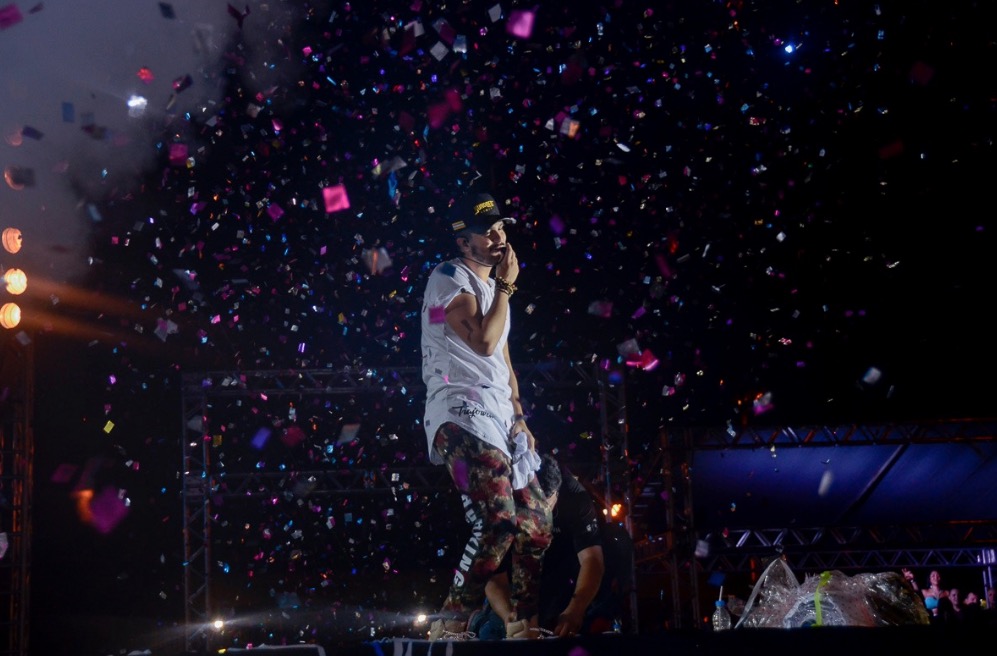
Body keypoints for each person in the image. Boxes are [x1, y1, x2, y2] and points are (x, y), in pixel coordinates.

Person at [420, 190, 552, 641]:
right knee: (497, 522)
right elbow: (482, 343)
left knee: (535, 524)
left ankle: (521, 623)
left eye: (501, 228)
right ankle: (448, 620)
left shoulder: (493, 289)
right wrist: (509, 287)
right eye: (487, 232)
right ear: (463, 242)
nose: (498, 238)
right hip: (458, 412)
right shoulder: (446, 278)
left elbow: (503, 359)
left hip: (496, 416)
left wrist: (520, 417)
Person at [471, 453, 634, 639]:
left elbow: (592, 560)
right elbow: (493, 573)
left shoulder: (575, 497)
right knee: (493, 631)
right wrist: (510, 618)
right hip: (515, 570)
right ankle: (482, 617)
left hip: (562, 564)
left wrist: (575, 611)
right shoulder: (498, 501)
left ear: (557, 493)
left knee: (616, 540)